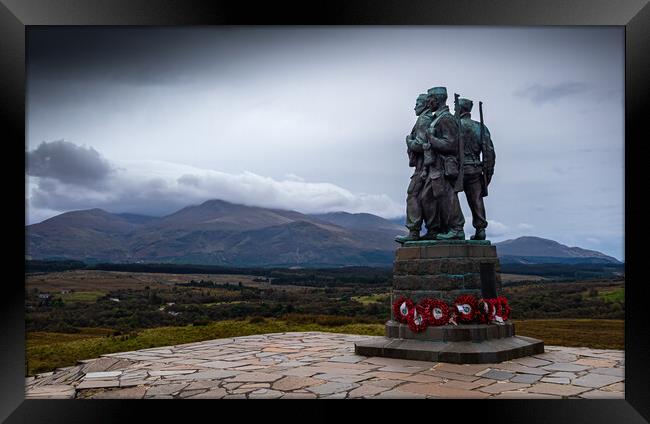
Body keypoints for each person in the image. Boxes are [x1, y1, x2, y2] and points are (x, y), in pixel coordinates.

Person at [420, 86, 465, 240]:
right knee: (427, 198)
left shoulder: (446, 119)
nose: (428, 102)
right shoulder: (437, 118)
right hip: (434, 165)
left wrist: (431, 139)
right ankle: (434, 229)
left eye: (430, 99)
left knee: (447, 197)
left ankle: (457, 228)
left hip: (443, 166)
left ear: (437, 100)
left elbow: (450, 144)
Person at [395, 92, 436, 243]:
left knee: (413, 195)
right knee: (427, 199)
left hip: (424, 167)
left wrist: (409, 141)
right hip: (427, 167)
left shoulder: (423, 120)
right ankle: (432, 229)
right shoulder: (428, 119)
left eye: (417, 103)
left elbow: (422, 145)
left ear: (425, 104)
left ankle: (414, 232)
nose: (414, 107)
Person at [457, 97, 495, 240]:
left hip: (457, 170)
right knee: (476, 200)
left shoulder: (455, 126)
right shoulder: (480, 128)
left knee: (452, 199)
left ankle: (456, 227)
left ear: (461, 109)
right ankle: (481, 229)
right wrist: (488, 172)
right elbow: (489, 153)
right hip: (475, 168)